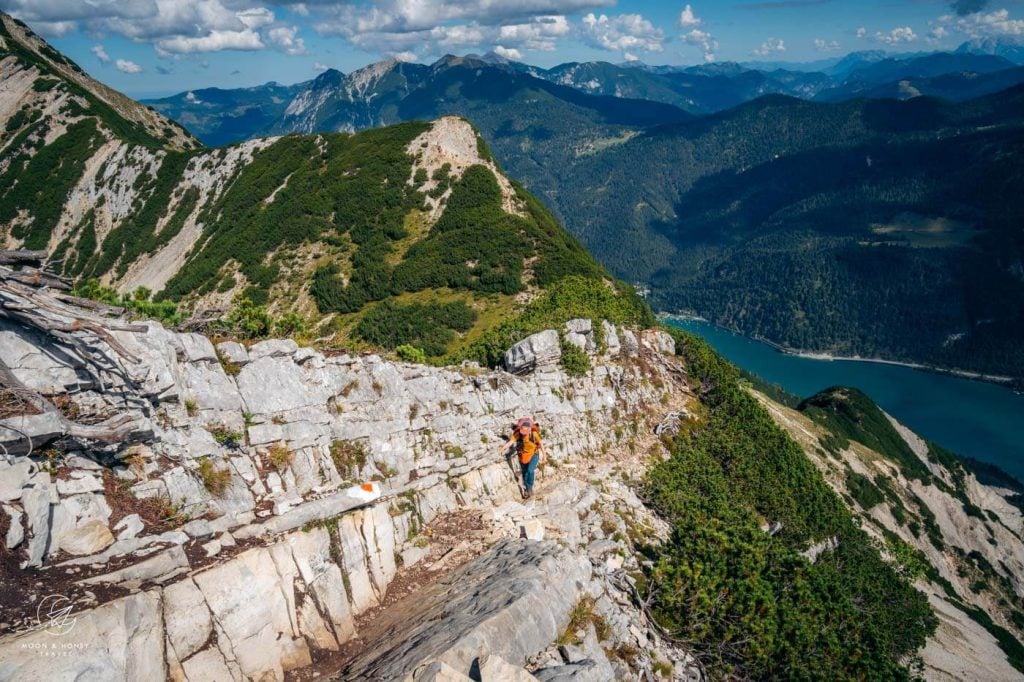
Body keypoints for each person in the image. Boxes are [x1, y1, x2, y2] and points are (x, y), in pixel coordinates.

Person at [500, 417, 546, 499]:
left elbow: (541, 445)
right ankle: (527, 490)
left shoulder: (533, 434)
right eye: (523, 432)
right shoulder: (518, 434)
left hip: (533, 455)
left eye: (525, 432)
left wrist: (544, 457)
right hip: (522, 457)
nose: (524, 434)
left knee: (530, 471)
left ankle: (529, 489)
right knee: (524, 474)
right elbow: (510, 442)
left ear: (529, 430)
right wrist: (503, 448)